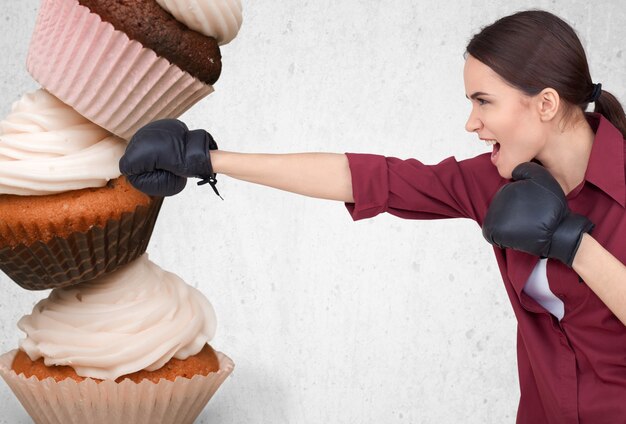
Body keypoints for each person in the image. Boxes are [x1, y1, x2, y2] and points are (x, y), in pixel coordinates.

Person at [118, 10, 626, 424]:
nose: (471, 122)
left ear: (545, 104)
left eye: (483, 102)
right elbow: (368, 178)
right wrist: (209, 159)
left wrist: (573, 244)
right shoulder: (496, 179)